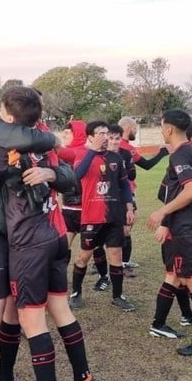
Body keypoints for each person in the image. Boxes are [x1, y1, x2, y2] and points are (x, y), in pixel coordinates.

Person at [0, 86, 99, 381]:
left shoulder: (30, 141)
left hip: (24, 237)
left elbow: (66, 174)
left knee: (12, 314)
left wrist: (50, 172)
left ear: (12, 116)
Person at [146, 110, 192, 356]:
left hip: (187, 228)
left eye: (161, 126)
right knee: (176, 276)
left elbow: (190, 191)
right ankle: (163, 324)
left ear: (168, 129)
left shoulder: (180, 154)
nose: (160, 130)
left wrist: (161, 213)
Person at [68, 121, 136, 312]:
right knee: (84, 256)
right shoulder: (83, 156)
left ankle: (117, 295)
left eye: (107, 133)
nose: (105, 137)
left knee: (115, 254)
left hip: (114, 216)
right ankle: (76, 292)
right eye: (100, 134)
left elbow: (124, 186)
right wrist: (93, 150)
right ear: (90, 137)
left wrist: (129, 208)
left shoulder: (115, 158)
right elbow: (76, 176)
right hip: (92, 217)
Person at [57, 120, 109, 292]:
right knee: (63, 246)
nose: (63, 136)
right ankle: (60, 277)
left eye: (67, 133)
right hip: (69, 209)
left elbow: (53, 148)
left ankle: (104, 276)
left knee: (95, 248)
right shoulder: (72, 151)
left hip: (88, 209)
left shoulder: (79, 151)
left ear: (78, 133)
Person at [117, 117, 168, 276]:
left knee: (129, 223)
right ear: (126, 127)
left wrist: (162, 153)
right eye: (134, 127)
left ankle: (121, 259)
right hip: (121, 193)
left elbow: (146, 165)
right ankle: (121, 263)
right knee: (125, 226)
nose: (136, 130)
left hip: (129, 191)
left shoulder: (129, 148)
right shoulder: (120, 147)